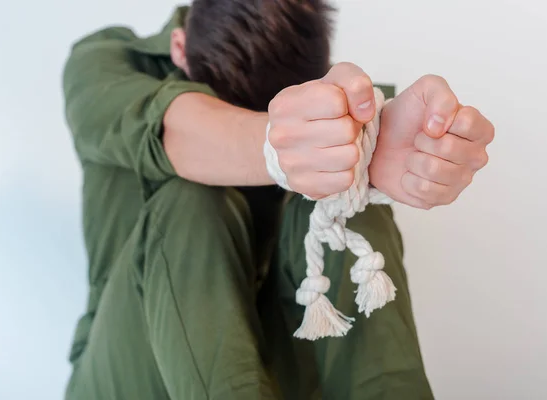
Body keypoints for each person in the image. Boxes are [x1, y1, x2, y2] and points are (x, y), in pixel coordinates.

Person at [62, 1, 494, 399]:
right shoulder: (109, 63)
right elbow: (172, 129)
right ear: (178, 48)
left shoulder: (328, 96)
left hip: (280, 368)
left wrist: (368, 152)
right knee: (192, 195)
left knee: (347, 200)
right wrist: (282, 147)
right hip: (135, 369)